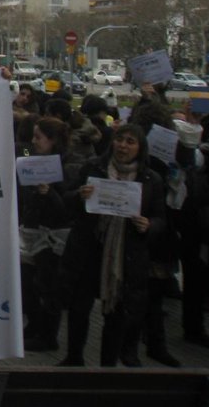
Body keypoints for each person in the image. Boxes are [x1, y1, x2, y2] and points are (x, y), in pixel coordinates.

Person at [58, 124, 165, 367]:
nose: (123, 146)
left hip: (124, 255)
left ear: (140, 148)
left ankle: (107, 367)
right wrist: (79, 196)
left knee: (116, 313)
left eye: (130, 142)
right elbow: (67, 199)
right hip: (89, 249)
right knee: (79, 308)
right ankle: (73, 358)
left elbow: (161, 218)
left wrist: (149, 225)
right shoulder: (94, 167)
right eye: (119, 139)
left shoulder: (150, 179)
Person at [18, 117, 71, 352]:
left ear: (52, 140)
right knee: (27, 283)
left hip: (53, 236)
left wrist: (48, 193)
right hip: (31, 229)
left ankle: (48, 336)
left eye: (38, 137)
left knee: (48, 286)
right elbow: (22, 153)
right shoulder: (30, 156)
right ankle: (34, 324)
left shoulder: (66, 166)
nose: (33, 141)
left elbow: (66, 206)